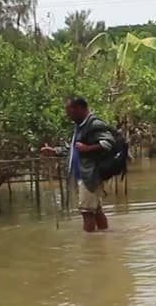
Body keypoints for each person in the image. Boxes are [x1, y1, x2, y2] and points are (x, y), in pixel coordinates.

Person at [42, 96, 114, 233]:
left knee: (87, 212)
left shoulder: (94, 124)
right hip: (83, 174)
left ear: (80, 109)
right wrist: (54, 151)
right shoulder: (80, 126)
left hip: (90, 175)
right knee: (95, 210)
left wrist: (88, 148)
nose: (68, 116)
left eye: (70, 112)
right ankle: (104, 237)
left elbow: (109, 143)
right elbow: (73, 148)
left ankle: (90, 247)